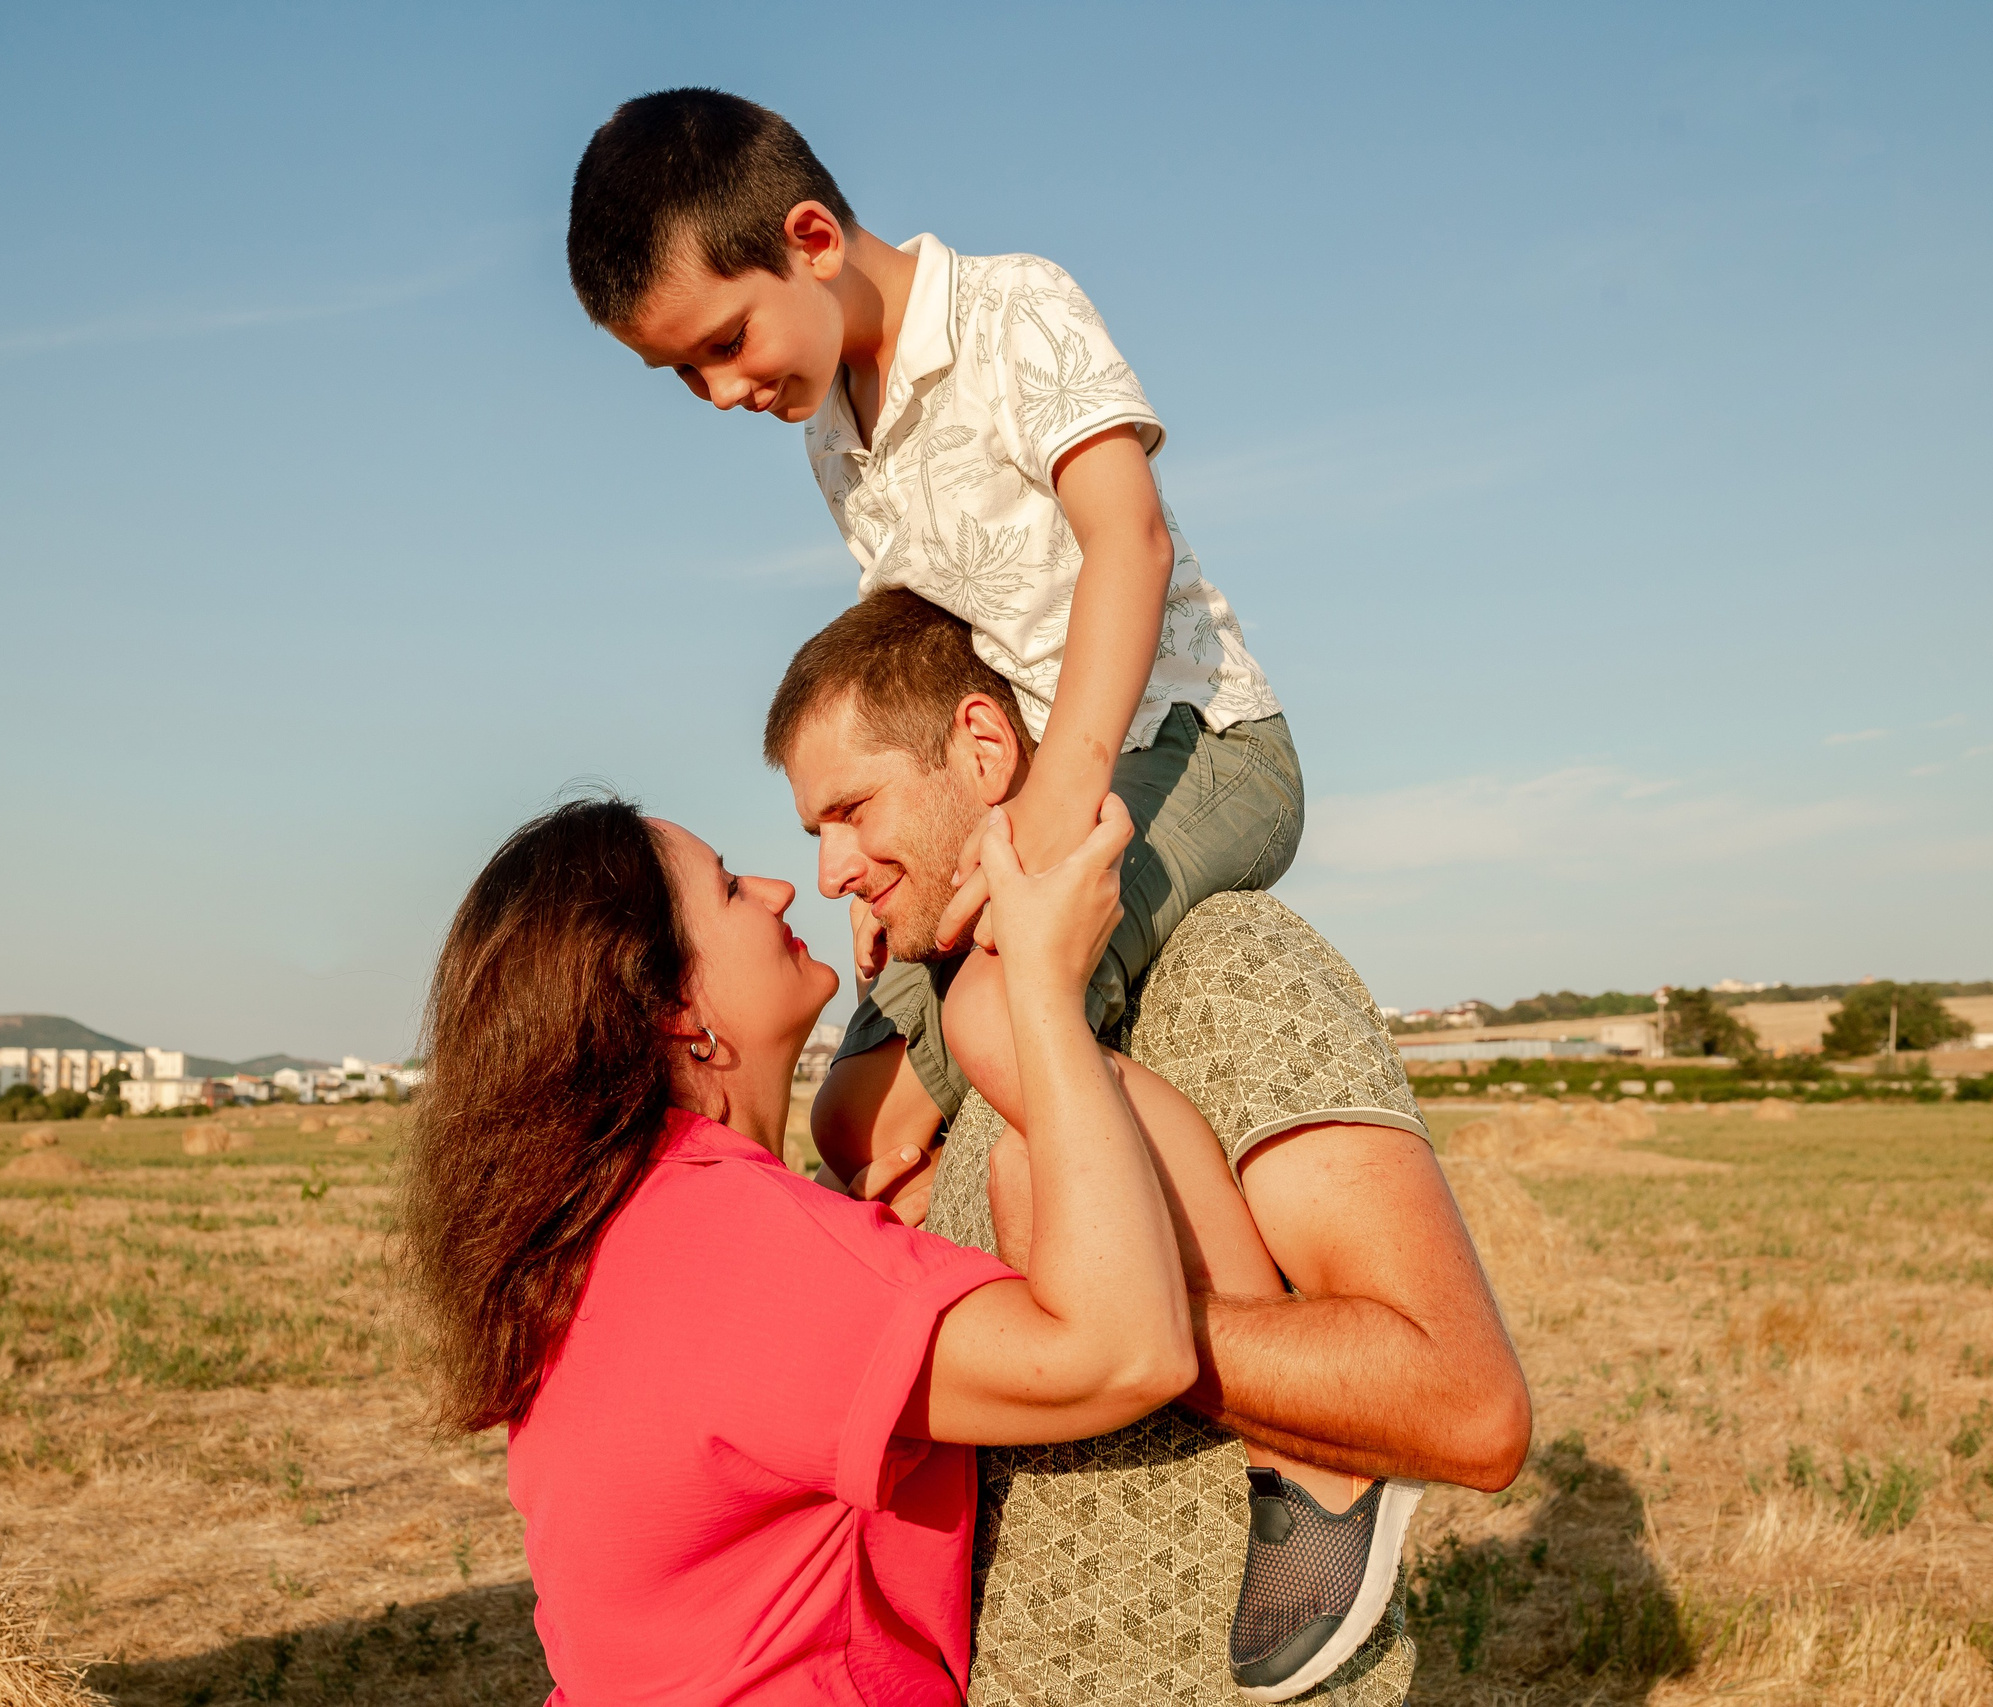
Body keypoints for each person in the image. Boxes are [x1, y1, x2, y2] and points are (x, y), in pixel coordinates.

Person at [565, 90, 1401, 1691]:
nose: (722, 389)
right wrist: (893, 868)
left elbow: (1128, 540)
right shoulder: (839, 435)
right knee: (858, 1117)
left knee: (1017, 1033)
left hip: (1179, 742)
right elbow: (914, 670)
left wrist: (1043, 843)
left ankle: (1321, 1455)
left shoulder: (1011, 306)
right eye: (684, 376)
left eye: (724, 343)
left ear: (810, 239)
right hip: (1008, 796)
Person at [767, 600, 1534, 1703]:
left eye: (852, 810)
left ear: (984, 748)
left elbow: (1464, 1405)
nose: (833, 869)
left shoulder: (1225, 963)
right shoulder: (968, 1039)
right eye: (812, 836)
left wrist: (1125, 1320)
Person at [399, 791, 1200, 1703]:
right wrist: (1046, 994)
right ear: (666, 999)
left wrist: (842, 1234)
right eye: (732, 888)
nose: (783, 888)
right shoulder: (726, 1241)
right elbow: (1125, 1352)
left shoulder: (614, 1229)